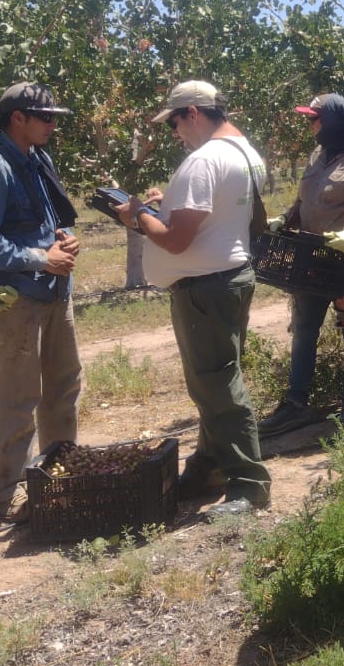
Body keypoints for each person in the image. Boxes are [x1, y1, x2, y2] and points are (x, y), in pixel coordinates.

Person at [114, 80, 270, 519]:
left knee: (218, 382)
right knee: (214, 380)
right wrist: (166, 206)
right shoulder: (245, 153)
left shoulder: (204, 161)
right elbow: (216, 217)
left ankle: (249, 483)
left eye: (175, 124)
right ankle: (210, 465)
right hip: (230, 276)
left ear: (194, 113)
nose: (175, 134)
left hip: (205, 286)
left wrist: (138, 213)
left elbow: (178, 241)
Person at [0, 82, 83, 523]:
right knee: (16, 395)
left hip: (52, 292)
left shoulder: (35, 158)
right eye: (45, 118)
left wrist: (60, 239)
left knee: (62, 388)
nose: (53, 126)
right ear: (18, 118)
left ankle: (60, 472)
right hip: (16, 299)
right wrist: (40, 257)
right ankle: (6, 493)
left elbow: (43, 218)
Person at [258, 93, 344, 436]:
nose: (311, 125)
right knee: (305, 328)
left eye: (315, 118)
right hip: (312, 257)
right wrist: (287, 216)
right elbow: (305, 197)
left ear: (334, 121)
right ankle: (296, 403)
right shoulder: (319, 155)